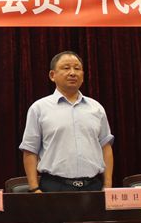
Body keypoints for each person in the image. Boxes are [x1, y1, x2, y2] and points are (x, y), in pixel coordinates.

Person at [19, 51, 113, 192]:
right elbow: (30, 150)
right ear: (52, 75)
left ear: (83, 75)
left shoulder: (96, 108)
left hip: (93, 186)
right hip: (54, 186)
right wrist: (34, 188)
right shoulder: (39, 108)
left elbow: (105, 147)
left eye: (77, 68)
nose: (72, 73)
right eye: (66, 68)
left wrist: (108, 185)